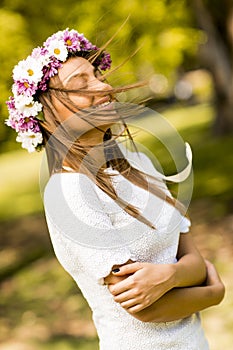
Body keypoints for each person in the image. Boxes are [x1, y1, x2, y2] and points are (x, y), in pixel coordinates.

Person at [6, 28, 225, 349]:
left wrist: (171, 277)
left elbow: (193, 257)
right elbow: (150, 308)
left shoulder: (138, 162)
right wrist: (213, 292)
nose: (104, 86)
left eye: (97, 75)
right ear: (46, 117)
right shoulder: (68, 194)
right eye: (81, 84)